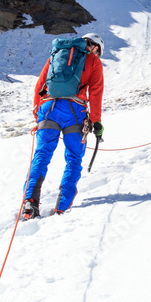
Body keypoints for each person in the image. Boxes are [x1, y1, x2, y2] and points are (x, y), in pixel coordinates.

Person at [22, 33, 105, 219]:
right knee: (74, 158)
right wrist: (96, 121)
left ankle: (30, 202)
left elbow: (40, 85)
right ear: (95, 47)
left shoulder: (57, 55)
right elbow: (96, 93)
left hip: (48, 107)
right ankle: (62, 206)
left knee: (42, 155)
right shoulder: (93, 61)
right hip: (75, 111)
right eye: (98, 51)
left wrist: (38, 116)